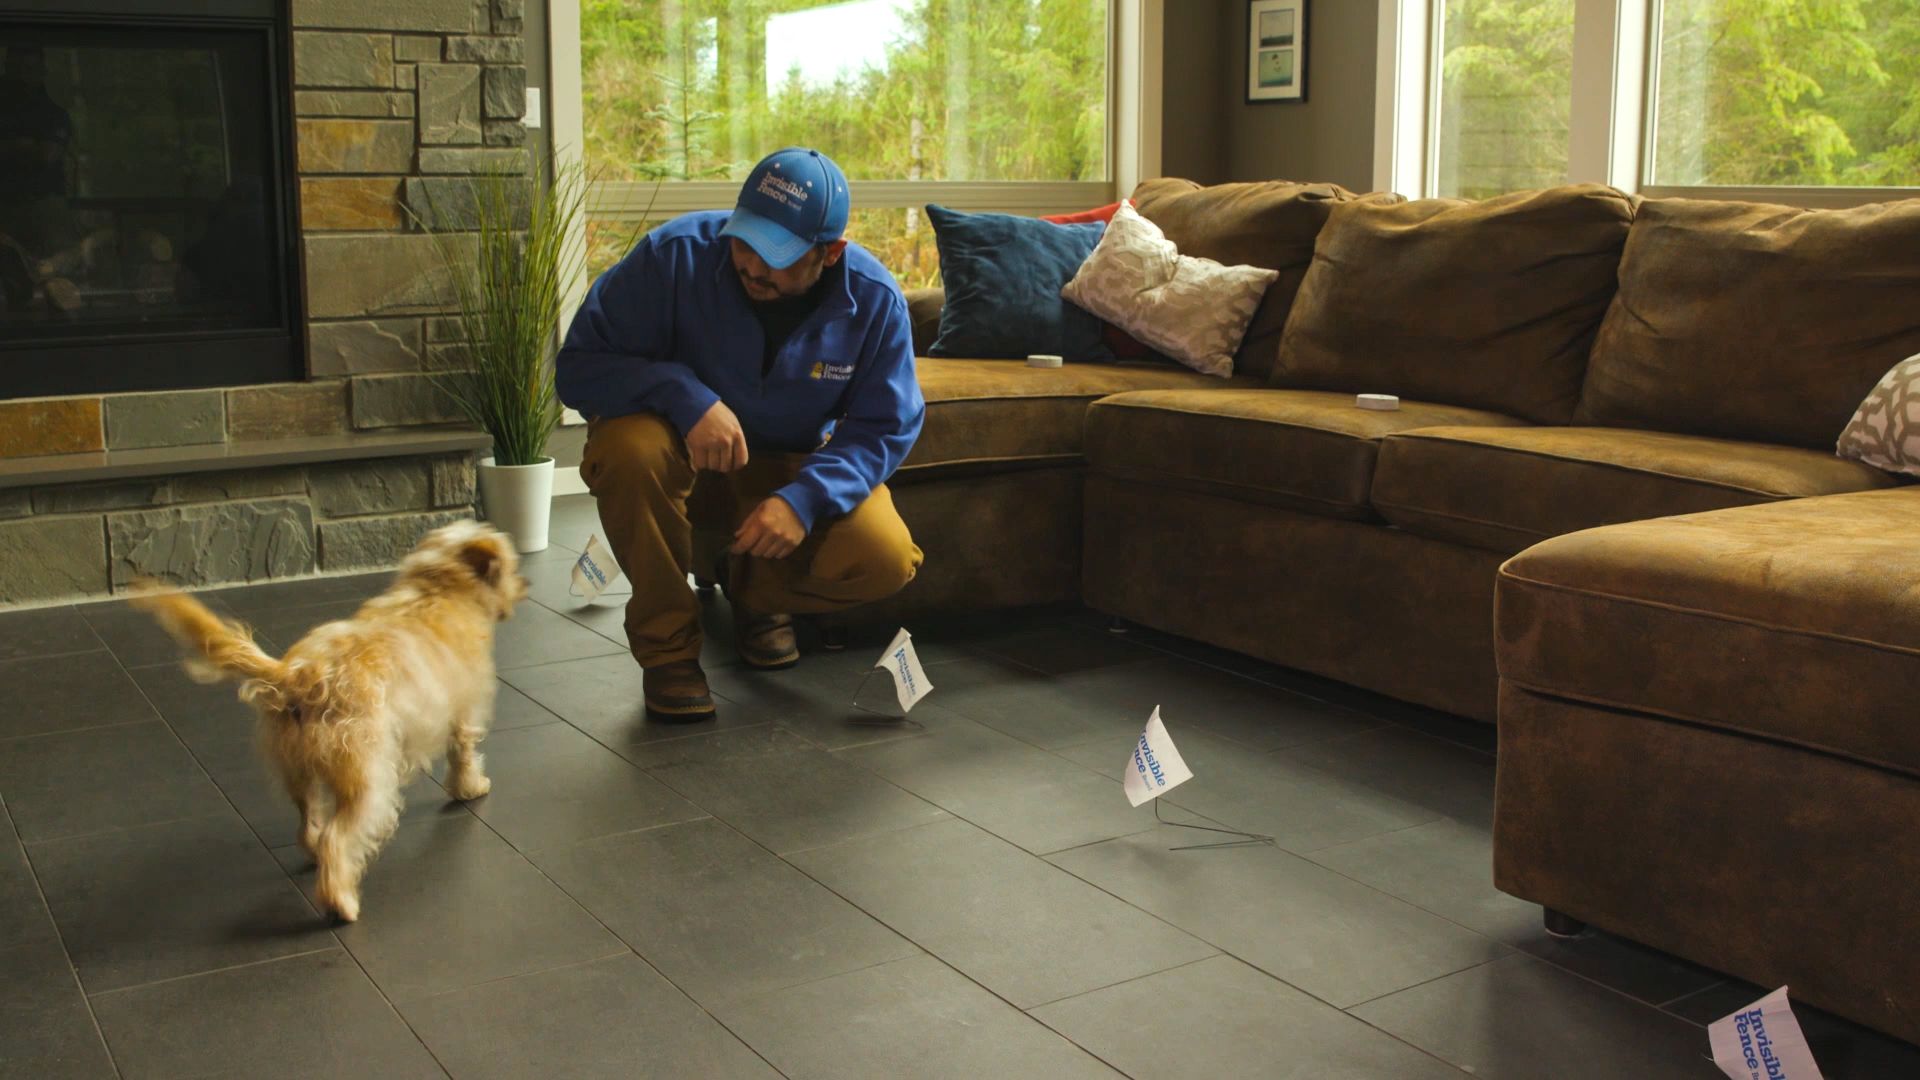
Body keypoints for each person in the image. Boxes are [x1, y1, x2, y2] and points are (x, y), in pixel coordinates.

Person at [556, 147, 925, 722]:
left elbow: (886, 425)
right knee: (627, 450)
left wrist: (803, 501)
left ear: (829, 254)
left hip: (783, 470)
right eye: (744, 240)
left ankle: (755, 592)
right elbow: (577, 366)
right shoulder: (672, 257)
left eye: (776, 255)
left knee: (884, 556)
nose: (751, 264)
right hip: (678, 462)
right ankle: (669, 650)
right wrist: (685, 396)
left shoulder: (873, 301)